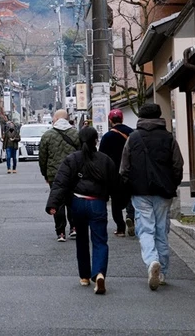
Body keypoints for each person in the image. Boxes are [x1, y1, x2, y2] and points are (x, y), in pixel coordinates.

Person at [46, 126, 121, 294]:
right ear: (96, 141)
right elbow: (115, 184)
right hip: (97, 203)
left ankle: (85, 277)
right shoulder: (105, 160)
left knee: (81, 239)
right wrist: (121, 204)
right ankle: (99, 273)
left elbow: (60, 183)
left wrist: (53, 204)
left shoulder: (72, 159)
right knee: (100, 240)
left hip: (77, 203)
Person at [120, 103, 184, 291]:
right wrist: (174, 184)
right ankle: (162, 272)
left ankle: (152, 261)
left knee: (146, 229)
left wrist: (127, 186)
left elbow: (124, 167)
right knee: (161, 230)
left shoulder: (133, 138)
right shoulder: (168, 137)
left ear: (140, 117)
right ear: (159, 116)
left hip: (140, 191)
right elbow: (177, 164)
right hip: (164, 191)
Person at [39, 109, 80, 242]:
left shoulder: (47, 135)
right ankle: (74, 228)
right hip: (73, 174)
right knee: (73, 200)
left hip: (54, 174)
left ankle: (60, 232)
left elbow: (43, 157)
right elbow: (81, 154)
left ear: (56, 119)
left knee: (57, 202)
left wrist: (45, 173)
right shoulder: (76, 134)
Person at [99, 109, 136, 237]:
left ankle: (120, 228)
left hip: (114, 173)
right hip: (131, 171)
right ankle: (131, 216)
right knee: (132, 196)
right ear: (122, 119)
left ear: (110, 120)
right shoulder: (132, 133)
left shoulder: (107, 137)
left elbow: (102, 156)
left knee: (116, 201)